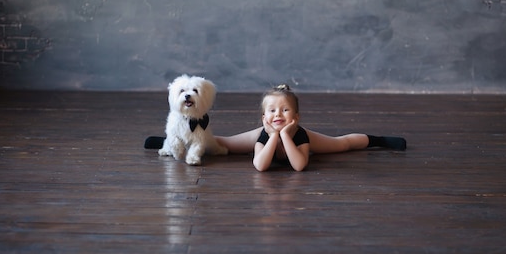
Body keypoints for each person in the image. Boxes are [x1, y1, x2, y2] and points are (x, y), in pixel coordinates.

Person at [146, 84, 407, 172]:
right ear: (263, 116)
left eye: (284, 110)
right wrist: (272, 136)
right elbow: (260, 165)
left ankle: (380, 139)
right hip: (264, 137)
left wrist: (284, 135)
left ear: (296, 115)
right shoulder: (263, 132)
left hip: (295, 139)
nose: (278, 114)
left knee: (342, 144)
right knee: (220, 144)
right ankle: (169, 140)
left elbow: (299, 166)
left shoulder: (300, 133)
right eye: (272, 111)